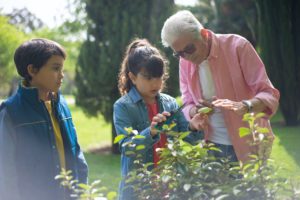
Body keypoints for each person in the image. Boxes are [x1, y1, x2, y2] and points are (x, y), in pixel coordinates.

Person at [161, 10, 280, 163]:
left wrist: (246, 106)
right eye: (179, 54)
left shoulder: (238, 46)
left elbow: (269, 93)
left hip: (250, 142)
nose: (187, 57)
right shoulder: (184, 62)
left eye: (189, 49)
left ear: (203, 34)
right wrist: (195, 110)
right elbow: (187, 101)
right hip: (209, 146)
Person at [113, 38, 204, 200]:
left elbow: (186, 137)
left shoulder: (170, 103)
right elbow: (128, 147)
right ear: (133, 77)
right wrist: (152, 131)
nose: (155, 83)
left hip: (169, 186)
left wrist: (193, 127)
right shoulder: (123, 106)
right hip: (138, 189)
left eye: (159, 77)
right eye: (148, 78)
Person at [0, 38, 88, 200]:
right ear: (32, 70)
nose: (62, 75)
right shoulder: (10, 112)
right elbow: (6, 172)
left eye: (62, 69)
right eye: (56, 68)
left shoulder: (62, 104)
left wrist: (82, 192)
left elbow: (76, 153)